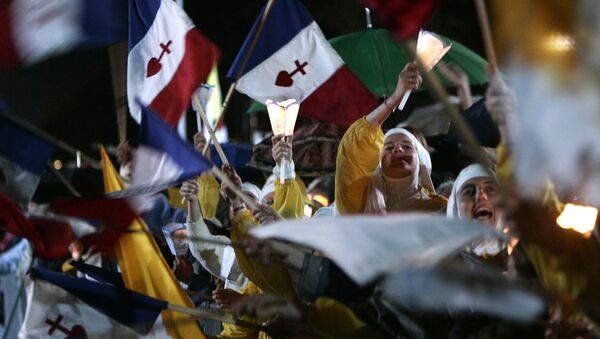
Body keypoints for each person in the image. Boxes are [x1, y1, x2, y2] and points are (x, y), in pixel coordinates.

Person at [335, 63, 446, 215]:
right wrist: (395, 97)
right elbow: (356, 144)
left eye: (407, 146)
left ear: (421, 162)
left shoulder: (441, 209)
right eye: (388, 147)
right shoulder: (359, 202)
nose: (398, 149)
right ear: (378, 163)